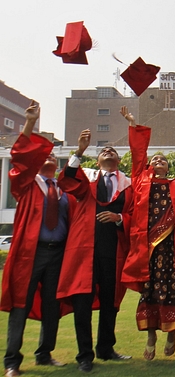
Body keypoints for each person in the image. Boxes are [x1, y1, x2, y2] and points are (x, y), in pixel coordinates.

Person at [119, 107, 175, 361]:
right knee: (150, 290)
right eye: (155, 160)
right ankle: (151, 335)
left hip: (171, 246)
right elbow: (137, 153)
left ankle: (172, 332)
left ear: (168, 166)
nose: (158, 161)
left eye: (163, 160)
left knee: (172, 290)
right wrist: (133, 123)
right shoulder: (141, 179)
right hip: (147, 247)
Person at [1, 102, 71, 377]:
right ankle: (12, 362)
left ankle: (45, 353)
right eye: (43, 157)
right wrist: (30, 123)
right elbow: (19, 157)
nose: (49, 159)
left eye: (53, 156)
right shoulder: (26, 186)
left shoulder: (63, 191)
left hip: (58, 253)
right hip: (32, 253)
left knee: (52, 305)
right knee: (21, 304)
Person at [57, 129, 134, 372]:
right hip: (84, 251)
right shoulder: (87, 178)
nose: (108, 152)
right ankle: (84, 355)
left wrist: (119, 217)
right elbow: (68, 180)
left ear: (119, 161)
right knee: (83, 302)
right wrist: (79, 151)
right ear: (97, 160)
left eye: (112, 151)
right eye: (103, 151)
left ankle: (106, 348)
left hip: (112, 250)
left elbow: (135, 214)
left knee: (110, 301)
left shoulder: (128, 184)